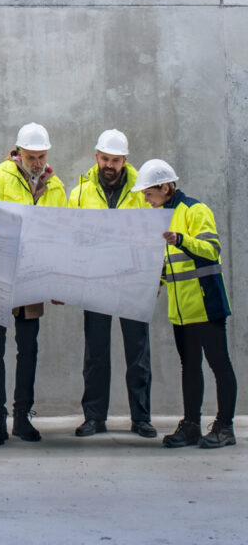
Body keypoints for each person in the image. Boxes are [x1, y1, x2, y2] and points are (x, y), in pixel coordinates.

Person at [0, 123, 67, 446]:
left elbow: (61, 231)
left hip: (32, 272)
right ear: (18, 152)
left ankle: (22, 417)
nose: (37, 162)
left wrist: (58, 279)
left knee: (29, 347)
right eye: (31, 156)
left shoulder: (56, 186)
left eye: (41, 156)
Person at [133, 158, 237, 449]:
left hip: (206, 303)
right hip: (181, 310)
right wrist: (159, 282)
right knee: (189, 366)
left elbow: (212, 250)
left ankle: (225, 427)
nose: (146, 199)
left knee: (219, 365)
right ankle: (191, 424)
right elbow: (172, 264)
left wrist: (181, 239)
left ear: (165, 187)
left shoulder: (194, 209)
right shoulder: (162, 215)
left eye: (149, 193)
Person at [69, 130, 157, 439]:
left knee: (138, 353)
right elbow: (71, 239)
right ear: (96, 157)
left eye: (116, 160)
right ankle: (94, 418)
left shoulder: (142, 190)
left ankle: (141, 418)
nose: (110, 165)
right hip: (96, 282)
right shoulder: (79, 193)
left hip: (133, 281)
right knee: (95, 353)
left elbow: (156, 236)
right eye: (105, 159)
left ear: (125, 160)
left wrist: (155, 276)